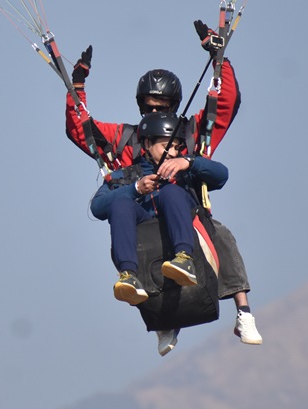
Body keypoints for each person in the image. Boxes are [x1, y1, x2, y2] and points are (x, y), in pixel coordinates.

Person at [64, 21, 262, 346]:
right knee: (129, 216)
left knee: (222, 237)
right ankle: (162, 317)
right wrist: (77, 86)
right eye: (148, 107)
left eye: (162, 108)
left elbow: (224, 103)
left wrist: (218, 58)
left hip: (188, 212)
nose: (153, 112)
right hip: (144, 217)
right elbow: (82, 129)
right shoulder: (126, 140)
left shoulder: (189, 135)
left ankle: (243, 312)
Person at [90, 112, 229, 356]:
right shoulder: (128, 175)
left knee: (171, 193)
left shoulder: (184, 171)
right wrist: (136, 189)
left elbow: (222, 175)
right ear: (146, 144)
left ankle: (184, 258)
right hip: (146, 238)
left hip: (184, 233)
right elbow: (98, 208)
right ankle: (128, 275)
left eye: (177, 147)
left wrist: (190, 162)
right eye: (167, 146)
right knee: (120, 204)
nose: (173, 152)